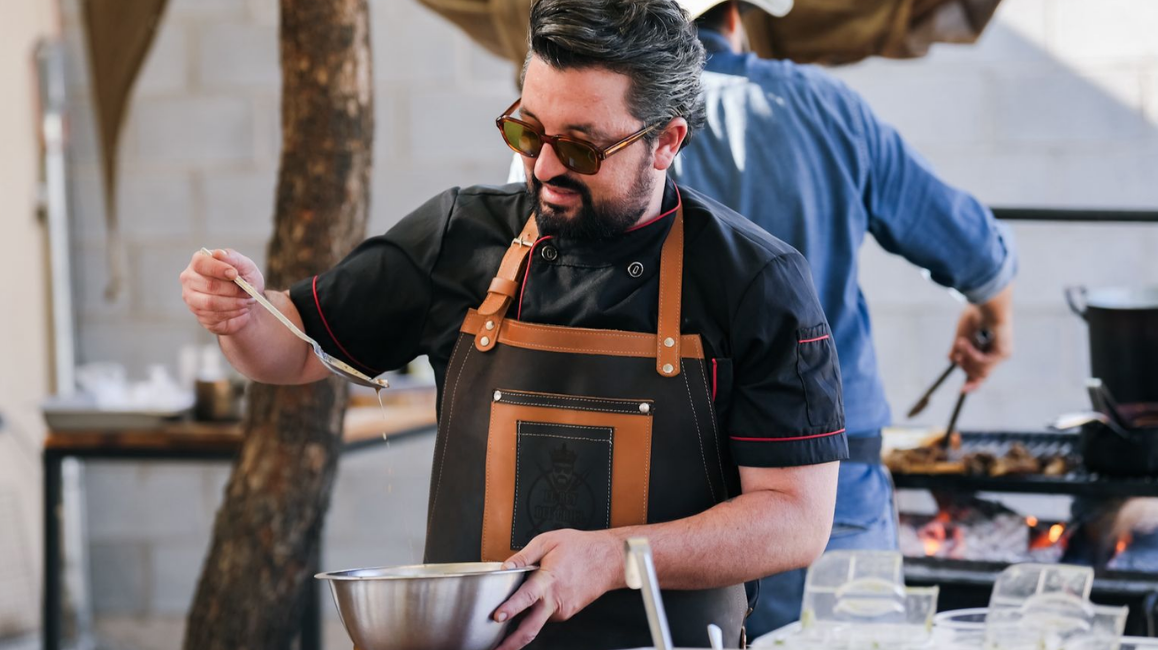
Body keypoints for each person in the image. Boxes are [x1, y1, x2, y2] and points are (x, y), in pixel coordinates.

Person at [179, 1, 847, 647]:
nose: (545, 168)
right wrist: (242, 314)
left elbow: (796, 519)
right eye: (528, 132)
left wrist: (616, 557)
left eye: (581, 148)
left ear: (665, 142)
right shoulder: (457, 236)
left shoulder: (754, 281)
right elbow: (295, 350)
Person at [669, 0, 1017, 638]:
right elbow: (974, 250)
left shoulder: (612, 125)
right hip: (832, 484)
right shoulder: (826, 106)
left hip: (673, 493)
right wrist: (992, 309)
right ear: (740, 15)